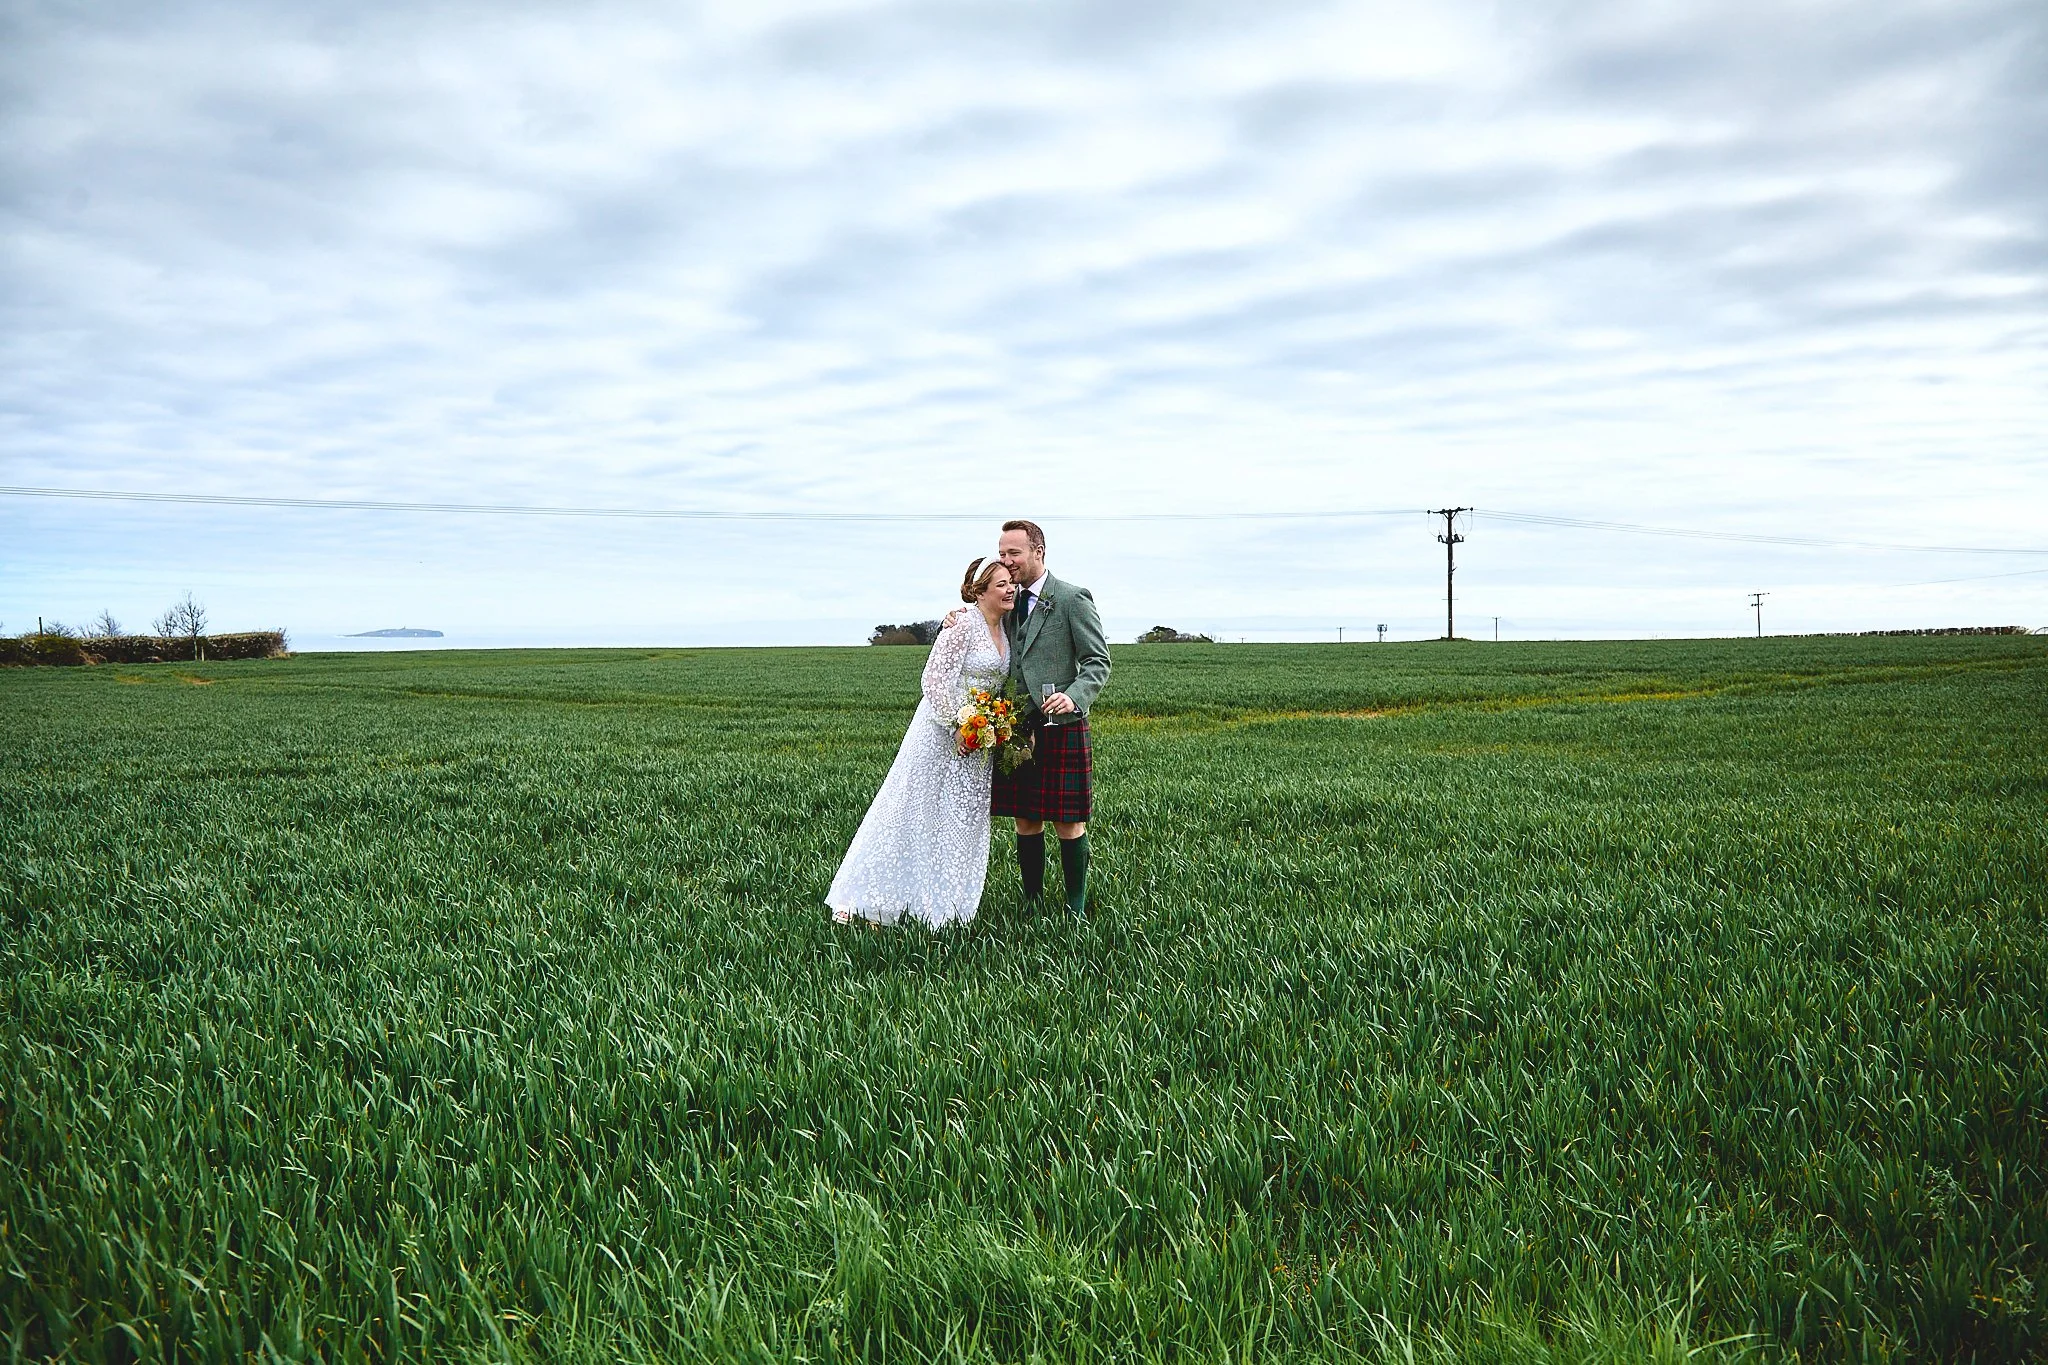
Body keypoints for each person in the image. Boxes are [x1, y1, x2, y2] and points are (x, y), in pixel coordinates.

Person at [826, 559, 1017, 928]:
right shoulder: (961, 624)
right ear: (979, 591)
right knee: (913, 812)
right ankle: (868, 900)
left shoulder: (1006, 626)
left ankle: (948, 909)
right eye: (1001, 585)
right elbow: (933, 682)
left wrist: (986, 725)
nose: (1009, 589)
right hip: (940, 735)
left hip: (980, 743)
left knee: (962, 820)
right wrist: (958, 724)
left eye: (1011, 583)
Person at [992, 519, 1110, 915]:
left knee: (1068, 821)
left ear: (1038, 553)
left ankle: (1075, 907)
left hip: (1061, 726)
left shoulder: (1072, 598)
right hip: (1016, 727)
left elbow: (1097, 661)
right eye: (1002, 553)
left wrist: (1073, 698)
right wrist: (954, 618)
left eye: (1014, 553)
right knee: (1025, 819)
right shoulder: (1006, 601)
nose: (1006, 561)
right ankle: (1032, 902)